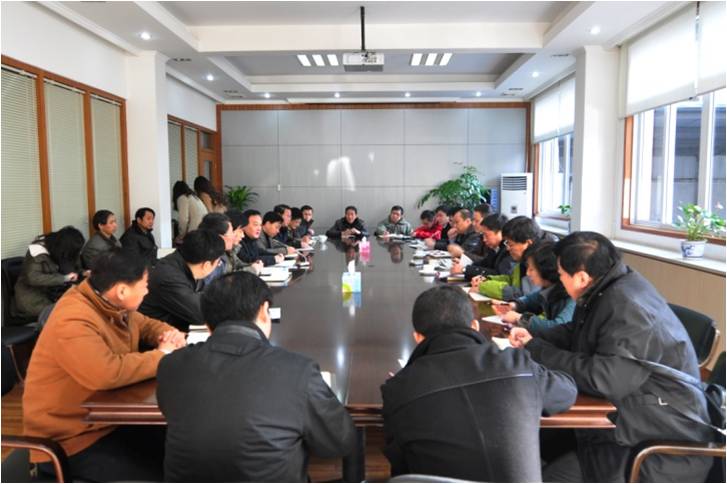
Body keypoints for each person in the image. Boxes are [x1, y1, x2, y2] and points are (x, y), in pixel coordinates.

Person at [508, 232, 714, 483]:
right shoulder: (608, 286)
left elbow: (603, 379)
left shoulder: (628, 307)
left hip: (656, 444)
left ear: (581, 277)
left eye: (561, 274)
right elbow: (580, 332)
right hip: (631, 421)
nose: (559, 279)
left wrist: (537, 349)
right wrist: (534, 338)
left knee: (547, 474)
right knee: (527, 441)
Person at [157, 271, 356, 482]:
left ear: (207, 324)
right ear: (264, 311)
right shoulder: (298, 371)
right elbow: (339, 442)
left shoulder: (171, 366)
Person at [381, 285, 577, 482]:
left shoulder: (398, 389)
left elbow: (401, 463)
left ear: (418, 337)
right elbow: (567, 393)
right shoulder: (516, 365)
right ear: (474, 326)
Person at [22, 249, 185, 482]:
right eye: (144, 285)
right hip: (71, 438)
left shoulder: (110, 302)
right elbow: (107, 373)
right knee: (161, 474)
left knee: (178, 453)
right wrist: (162, 354)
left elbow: (146, 325)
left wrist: (170, 334)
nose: (147, 291)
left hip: (109, 422)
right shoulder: (73, 318)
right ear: (122, 290)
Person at [138, 230, 225, 332]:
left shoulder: (181, 262)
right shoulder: (169, 278)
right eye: (218, 263)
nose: (218, 266)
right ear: (206, 265)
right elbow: (202, 315)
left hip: (173, 330)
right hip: (156, 336)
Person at [497, 241, 575, 331]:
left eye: (531, 269)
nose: (527, 273)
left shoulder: (572, 296)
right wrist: (513, 305)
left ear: (546, 269)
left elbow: (558, 327)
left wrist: (520, 318)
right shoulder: (550, 288)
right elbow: (532, 300)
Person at [14, 226, 85, 319]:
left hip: (51, 293)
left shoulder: (63, 250)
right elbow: (33, 278)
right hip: (32, 298)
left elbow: (72, 267)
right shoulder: (37, 252)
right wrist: (64, 278)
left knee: (79, 305)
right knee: (67, 313)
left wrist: (82, 272)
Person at [471, 216, 541, 300]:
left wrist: (484, 286)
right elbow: (511, 279)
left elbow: (520, 294)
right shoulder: (522, 261)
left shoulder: (539, 265)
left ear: (528, 243)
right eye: (507, 243)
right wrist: (487, 279)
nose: (507, 248)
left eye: (511, 245)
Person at [452, 213, 514, 280]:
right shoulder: (495, 247)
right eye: (483, 235)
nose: (484, 239)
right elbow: (483, 264)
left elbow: (498, 274)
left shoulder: (509, 250)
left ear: (500, 232)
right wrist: (464, 265)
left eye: (486, 235)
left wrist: (465, 269)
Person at [197, 212, 239, 283]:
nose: (234, 236)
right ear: (220, 237)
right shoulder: (209, 263)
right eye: (232, 232)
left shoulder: (219, 255)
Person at [226, 209, 264, 275]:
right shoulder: (220, 254)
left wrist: (253, 265)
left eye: (260, 225)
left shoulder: (232, 249)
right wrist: (253, 269)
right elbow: (230, 276)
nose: (243, 235)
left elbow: (238, 264)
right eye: (240, 231)